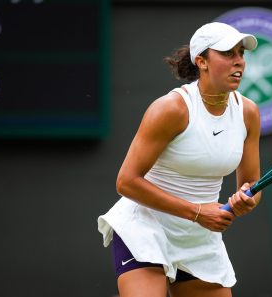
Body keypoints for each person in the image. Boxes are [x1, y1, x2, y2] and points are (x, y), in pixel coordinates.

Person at [98, 22, 261, 297]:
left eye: (241, 54)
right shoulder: (171, 109)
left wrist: (247, 199)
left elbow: (251, 183)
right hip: (146, 227)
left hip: (199, 237)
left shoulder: (248, 113)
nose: (239, 62)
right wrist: (197, 212)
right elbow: (126, 182)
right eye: (228, 54)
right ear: (202, 62)